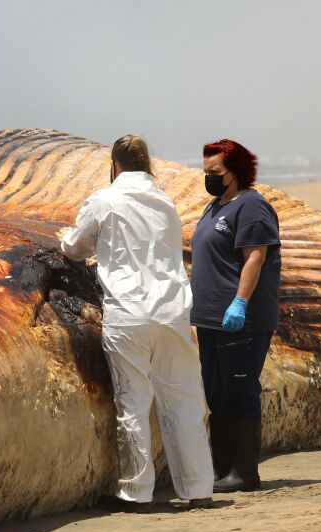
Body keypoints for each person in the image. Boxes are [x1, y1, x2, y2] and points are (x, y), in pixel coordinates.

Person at [60, 135, 214, 511]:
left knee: (134, 401)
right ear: (147, 163)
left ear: (114, 165)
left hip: (128, 312)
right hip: (173, 310)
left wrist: (65, 240)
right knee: (185, 400)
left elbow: (76, 248)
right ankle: (198, 489)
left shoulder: (104, 199)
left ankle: (137, 492)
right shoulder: (164, 201)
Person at [190, 139, 281, 492]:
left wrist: (239, 302)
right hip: (210, 320)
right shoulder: (215, 206)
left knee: (239, 389)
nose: (209, 178)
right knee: (216, 393)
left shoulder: (252, 207)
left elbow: (254, 257)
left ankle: (244, 474)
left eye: (216, 172)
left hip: (242, 319)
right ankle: (221, 469)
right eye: (206, 172)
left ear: (237, 171)